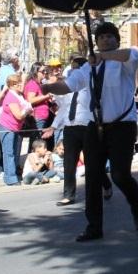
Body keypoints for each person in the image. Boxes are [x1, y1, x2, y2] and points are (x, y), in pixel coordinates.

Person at [43, 21, 138, 242]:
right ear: (96, 42)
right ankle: (94, 226)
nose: (106, 40)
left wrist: (103, 56)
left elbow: (130, 54)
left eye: (111, 36)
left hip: (122, 125)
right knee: (93, 176)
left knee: (119, 174)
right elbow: (70, 85)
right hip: (95, 126)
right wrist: (50, 87)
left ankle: (137, 203)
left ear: (117, 40)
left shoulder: (124, 61)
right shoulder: (88, 66)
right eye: (102, 37)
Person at [45, 57, 97, 206]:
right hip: (70, 127)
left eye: (75, 68)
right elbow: (64, 109)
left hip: (87, 126)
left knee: (91, 161)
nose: (72, 70)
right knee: (69, 162)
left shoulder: (89, 85)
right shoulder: (68, 89)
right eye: (71, 68)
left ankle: (104, 185)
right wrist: (54, 126)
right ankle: (69, 194)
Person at [0, 74, 33, 186]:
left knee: (15, 151)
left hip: (16, 127)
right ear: (11, 85)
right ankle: (10, 178)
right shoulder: (11, 97)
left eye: (20, 82)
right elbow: (18, 115)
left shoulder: (19, 95)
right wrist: (27, 111)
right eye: (16, 83)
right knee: (9, 152)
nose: (20, 84)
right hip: (7, 126)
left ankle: (13, 174)